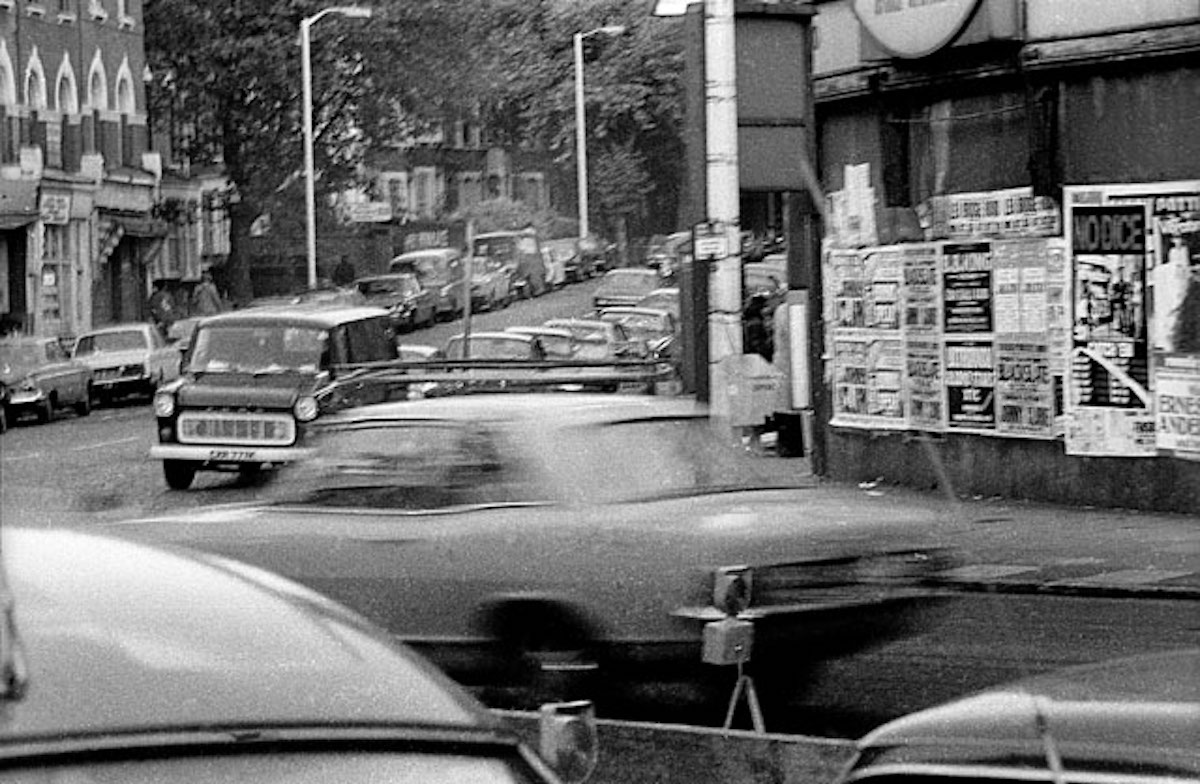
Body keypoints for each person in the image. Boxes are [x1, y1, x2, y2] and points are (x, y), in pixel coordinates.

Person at [743, 294, 773, 362]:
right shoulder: (755, 323)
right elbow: (756, 344)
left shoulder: (751, 321)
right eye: (765, 306)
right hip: (758, 358)